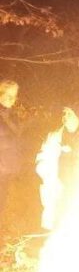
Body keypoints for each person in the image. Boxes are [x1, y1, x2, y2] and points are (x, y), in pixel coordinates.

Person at [36, 105, 79, 231]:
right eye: (64, 113)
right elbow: (43, 156)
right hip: (59, 187)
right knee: (59, 221)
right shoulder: (54, 137)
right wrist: (43, 168)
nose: (65, 117)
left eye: (69, 113)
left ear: (78, 116)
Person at [0, 80, 20, 235]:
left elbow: (15, 138)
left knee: (3, 202)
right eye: (7, 94)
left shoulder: (12, 115)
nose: (10, 99)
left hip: (7, 168)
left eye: (13, 96)